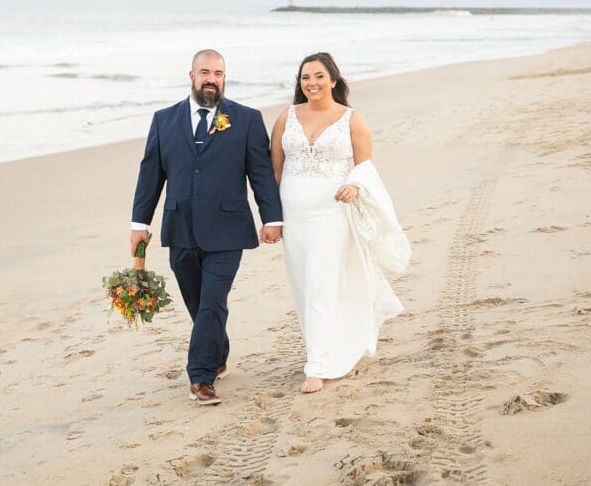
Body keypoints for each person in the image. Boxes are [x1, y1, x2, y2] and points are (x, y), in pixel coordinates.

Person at [130, 49, 283, 406]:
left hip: (229, 229)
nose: (212, 78)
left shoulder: (245, 119)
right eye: (205, 71)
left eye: (218, 72)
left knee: (213, 301)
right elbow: (150, 175)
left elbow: (260, 172)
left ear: (225, 78)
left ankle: (201, 377)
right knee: (200, 304)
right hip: (180, 226)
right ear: (192, 75)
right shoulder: (163, 120)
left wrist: (271, 217)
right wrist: (139, 223)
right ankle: (219, 352)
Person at [270, 52, 410, 394]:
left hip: (332, 214)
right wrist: (273, 216)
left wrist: (354, 185)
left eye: (319, 76)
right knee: (304, 286)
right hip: (295, 216)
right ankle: (329, 346)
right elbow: (274, 169)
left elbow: (365, 169)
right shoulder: (285, 117)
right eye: (305, 77)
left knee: (320, 282)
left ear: (333, 80)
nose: (312, 83)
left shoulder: (352, 120)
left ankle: (317, 366)